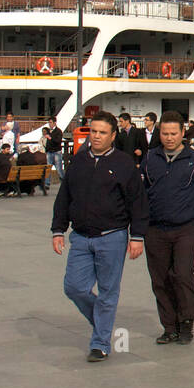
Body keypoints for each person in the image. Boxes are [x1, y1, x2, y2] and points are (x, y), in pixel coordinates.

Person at [51, 110, 149, 362]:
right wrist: (58, 229)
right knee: (74, 287)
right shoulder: (80, 161)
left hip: (112, 237)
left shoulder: (124, 164)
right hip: (81, 237)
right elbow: (64, 198)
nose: (96, 136)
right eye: (93, 131)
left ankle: (100, 343)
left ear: (113, 135)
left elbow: (137, 203)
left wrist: (137, 236)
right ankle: (102, 320)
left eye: (102, 132)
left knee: (108, 292)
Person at [141, 110, 194, 345]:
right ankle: (169, 326)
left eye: (173, 133)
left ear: (182, 133)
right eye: (165, 133)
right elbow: (138, 194)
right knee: (160, 279)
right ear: (160, 133)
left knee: (182, 273)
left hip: (185, 228)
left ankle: (187, 321)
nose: (169, 138)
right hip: (155, 229)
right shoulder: (150, 159)